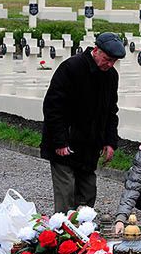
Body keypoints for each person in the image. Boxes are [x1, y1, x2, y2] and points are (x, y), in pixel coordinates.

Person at [40, 32, 126, 213]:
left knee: (87, 193)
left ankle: (83, 234)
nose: (110, 65)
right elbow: (53, 107)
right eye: (107, 59)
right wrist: (60, 141)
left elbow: (111, 111)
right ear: (96, 50)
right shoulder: (71, 67)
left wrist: (110, 142)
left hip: (89, 146)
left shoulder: (111, 76)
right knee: (66, 193)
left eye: (114, 62)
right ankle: (62, 235)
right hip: (66, 143)